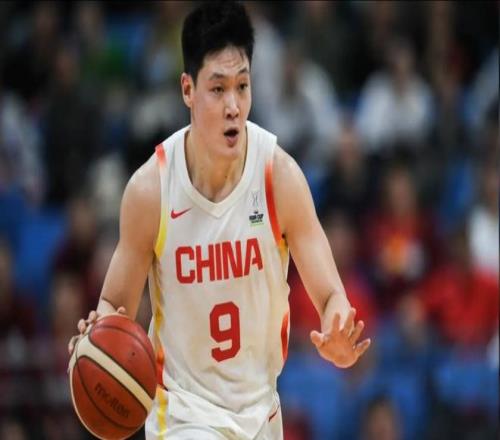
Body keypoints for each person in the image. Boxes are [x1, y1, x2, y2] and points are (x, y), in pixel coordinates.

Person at [68, 2, 371, 439]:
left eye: (242, 86)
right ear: (188, 89)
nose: (233, 106)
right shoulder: (151, 190)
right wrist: (96, 338)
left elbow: (330, 295)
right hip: (184, 415)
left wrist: (337, 325)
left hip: (261, 412)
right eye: (217, 89)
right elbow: (114, 304)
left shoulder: (279, 177)